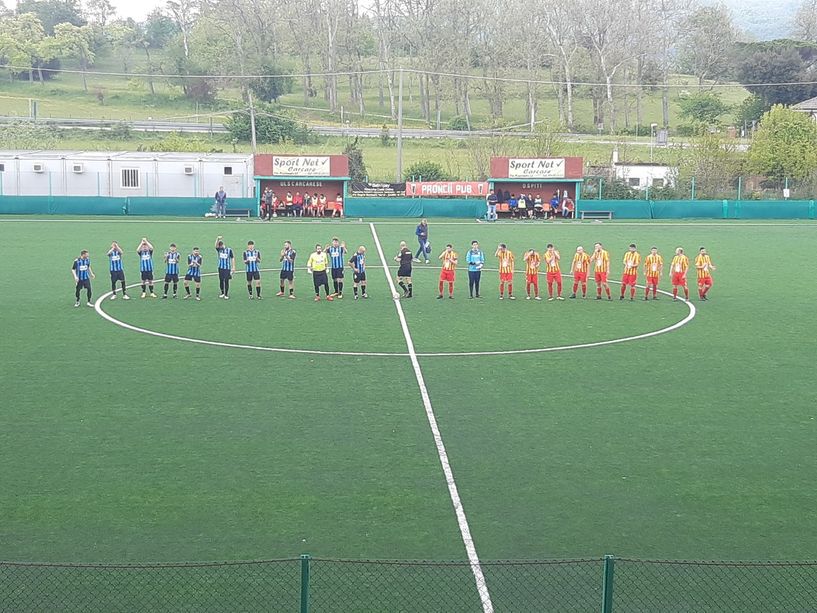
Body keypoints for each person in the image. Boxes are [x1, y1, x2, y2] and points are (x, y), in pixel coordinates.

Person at [215, 235, 235, 299]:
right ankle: (222, 292)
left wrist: (233, 267)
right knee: (221, 280)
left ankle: (226, 294)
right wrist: (217, 239)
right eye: (220, 246)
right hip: (220, 267)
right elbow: (215, 246)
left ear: (223, 244)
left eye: (221, 245)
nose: (221, 246)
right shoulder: (219, 250)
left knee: (226, 280)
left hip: (227, 268)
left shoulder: (229, 250)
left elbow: (232, 258)